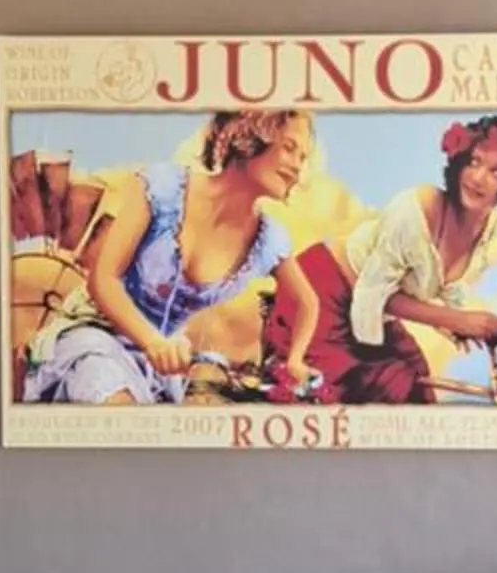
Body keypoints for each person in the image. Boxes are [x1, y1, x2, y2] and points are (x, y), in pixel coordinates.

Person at [21, 109, 313, 405]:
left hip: (160, 365)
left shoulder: (268, 240)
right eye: (289, 148)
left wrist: (296, 360)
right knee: (118, 406)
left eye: (303, 157)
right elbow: (103, 280)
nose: (298, 167)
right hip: (95, 336)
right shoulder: (163, 187)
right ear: (249, 138)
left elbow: (307, 302)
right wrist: (152, 341)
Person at [267, 116, 497, 405]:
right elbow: (373, 292)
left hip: (371, 311)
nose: (477, 178)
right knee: (384, 387)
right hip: (320, 293)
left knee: (419, 382)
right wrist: (458, 320)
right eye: (474, 162)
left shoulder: (489, 230)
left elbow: (439, 284)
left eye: (496, 172)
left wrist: (456, 324)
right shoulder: (422, 206)